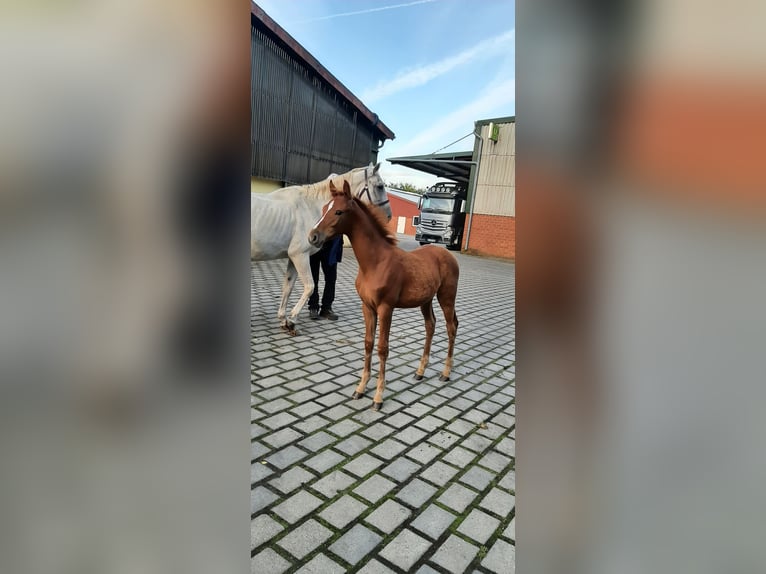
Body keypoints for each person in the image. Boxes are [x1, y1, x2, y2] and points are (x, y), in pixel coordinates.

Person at [308, 235, 343, 320]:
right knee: (313, 278)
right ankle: (313, 307)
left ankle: (326, 308)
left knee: (331, 278)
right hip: (314, 244)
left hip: (331, 245)